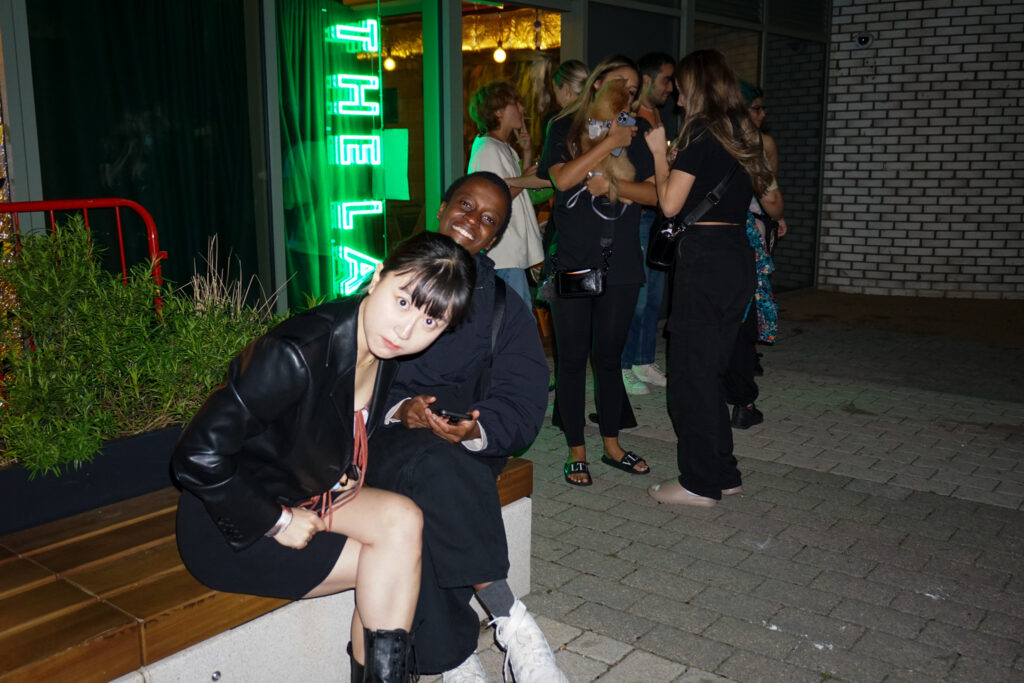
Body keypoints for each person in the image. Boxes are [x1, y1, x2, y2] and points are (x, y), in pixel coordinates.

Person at [171, 232, 477, 682]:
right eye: (404, 302)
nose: (406, 331)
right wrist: (277, 520)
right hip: (231, 522)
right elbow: (194, 456)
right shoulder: (295, 353)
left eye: (432, 322)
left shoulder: (380, 348)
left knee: (405, 521)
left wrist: (342, 471)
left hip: (310, 497)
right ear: (376, 279)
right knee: (399, 561)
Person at [367, 172, 563, 683]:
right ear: (441, 208)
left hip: (467, 446)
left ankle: (454, 661)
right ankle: (511, 621)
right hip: (384, 438)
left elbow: (522, 401)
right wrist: (400, 407)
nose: (472, 221)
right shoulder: (391, 281)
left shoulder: (503, 306)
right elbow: (350, 377)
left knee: (434, 482)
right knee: (428, 472)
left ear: (494, 238)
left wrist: (475, 430)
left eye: (488, 220)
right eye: (465, 205)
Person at [644, 49, 784, 507]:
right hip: (737, 256)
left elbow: (668, 205)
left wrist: (660, 155)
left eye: (682, 88)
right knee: (710, 369)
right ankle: (724, 473)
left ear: (698, 87)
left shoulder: (701, 133)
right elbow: (774, 203)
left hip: (704, 258)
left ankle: (699, 483)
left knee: (691, 376)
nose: (678, 98)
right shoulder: (746, 133)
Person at [537, 55, 657, 487]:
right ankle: (576, 452)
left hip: (621, 262)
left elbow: (657, 195)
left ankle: (611, 445)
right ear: (597, 83)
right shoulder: (561, 128)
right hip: (573, 260)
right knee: (570, 361)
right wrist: (608, 142)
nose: (628, 91)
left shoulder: (639, 132)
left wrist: (616, 184)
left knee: (608, 359)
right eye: (620, 82)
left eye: (634, 86)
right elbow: (563, 181)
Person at [725, 82, 790, 429]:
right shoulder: (751, 149)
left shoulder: (708, 140)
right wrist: (776, 214)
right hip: (745, 239)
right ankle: (743, 399)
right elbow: (771, 196)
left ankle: (732, 392)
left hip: (716, 242)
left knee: (728, 319)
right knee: (742, 318)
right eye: (757, 108)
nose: (763, 115)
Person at [620, 52, 675, 396]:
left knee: (654, 296)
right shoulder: (631, 119)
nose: (671, 88)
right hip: (640, 214)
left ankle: (642, 359)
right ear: (648, 80)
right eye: (666, 80)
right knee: (636, 300)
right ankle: (624, 366)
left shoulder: (655, 116)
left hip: (658, 213)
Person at [467, 82, 545, 309]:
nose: (522, 109)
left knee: (515, 322)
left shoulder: (503, 147)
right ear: (498, 112)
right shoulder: (487, 148)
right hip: (504, 254)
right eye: (516, 104)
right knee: (516, 324)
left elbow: (518, 191)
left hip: (511, 252)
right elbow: (494, 199)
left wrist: (527, 154)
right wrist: (526, 178)